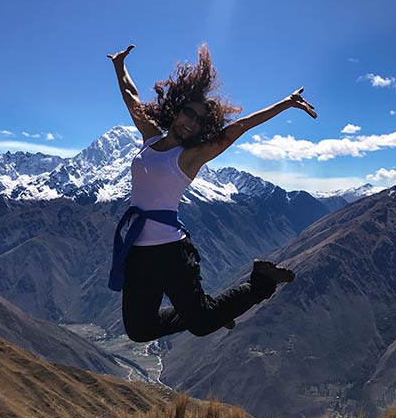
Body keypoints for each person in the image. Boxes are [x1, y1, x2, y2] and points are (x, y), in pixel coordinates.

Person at [107, 43, 317, 342]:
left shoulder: (191, 156)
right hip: (137, 250)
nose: (190, 122)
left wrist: (286, 103)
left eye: (198, 120)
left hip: (170, 251)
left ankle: (261, 281)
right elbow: (132, 98)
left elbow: (240, 127)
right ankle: (214, 311)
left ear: (203, 129)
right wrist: (119, 66)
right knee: (140, 330)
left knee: (202, 324)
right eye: (187, 113)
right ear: (176, 109)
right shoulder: (151, 138)